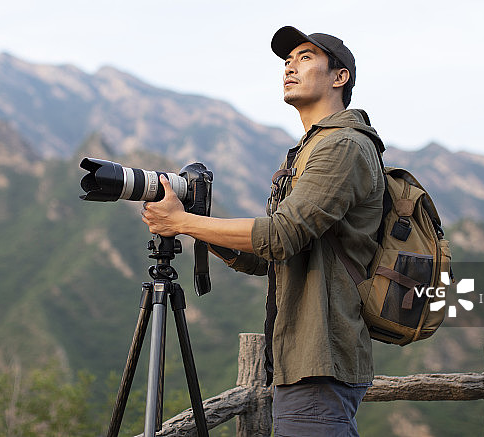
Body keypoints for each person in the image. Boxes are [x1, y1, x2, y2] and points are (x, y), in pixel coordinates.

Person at [141, 26, 384, 436]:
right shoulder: (310, 148)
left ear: (339, 77)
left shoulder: (342, 145)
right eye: (287, 61)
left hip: (319, 358)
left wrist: (180, 222)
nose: (290, 66)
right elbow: (266, 257)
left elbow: (279, 235)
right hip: (300, 360)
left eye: (305, 58)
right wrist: (198, 226)